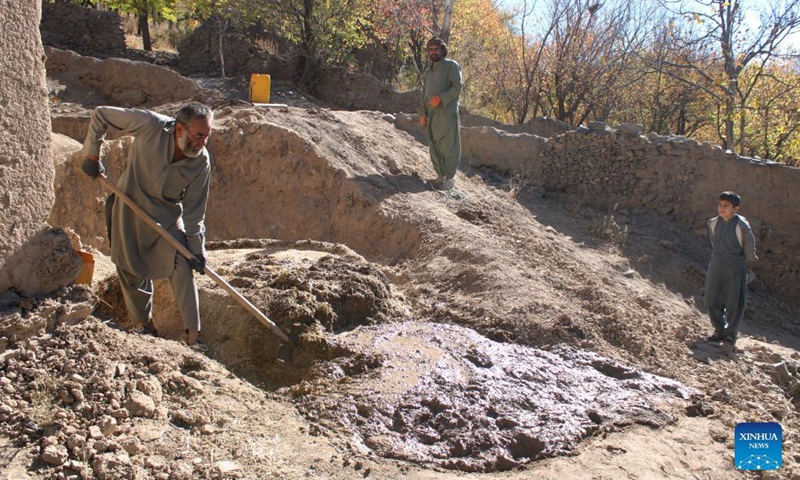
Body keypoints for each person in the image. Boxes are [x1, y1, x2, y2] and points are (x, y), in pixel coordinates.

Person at [80, 103, 213, 348]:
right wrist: (92, 155)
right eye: (198, 135)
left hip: (166, 219)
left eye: (207, 136)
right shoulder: (150, 125)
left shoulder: (201, 162)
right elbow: (101, 114)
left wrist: (198, 249)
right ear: (180, 129)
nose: (202, 142)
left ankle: (194, 338)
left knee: (182, 265)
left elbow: (195, 211)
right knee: (129, 270)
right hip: (128, 210)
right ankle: (146, 327)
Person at [704, 191, 757, 349]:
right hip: (716, 265)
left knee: (735, 302)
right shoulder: (713, 223)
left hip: (735, 267)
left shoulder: (742, 226)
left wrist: (738, 262)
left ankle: (731, 335)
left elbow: (749, 250)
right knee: (711, 299)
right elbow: (713, 242)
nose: (722, 208)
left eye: (726, 206)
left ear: (736, 209)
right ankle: (719, 330)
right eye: (720, 204)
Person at [419, 37, 462, 191]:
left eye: (436, 49)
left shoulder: (452, 66)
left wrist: (441, 98)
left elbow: (457, 87)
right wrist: (423, 113)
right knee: (434, 145)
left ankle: (450, 179)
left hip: (447, 113)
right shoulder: (428, 72)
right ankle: (440, 176)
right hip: (431, 114)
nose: (433, 52)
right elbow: (425, 95)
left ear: (442, 51)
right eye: (430, 50)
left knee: (448, 146)